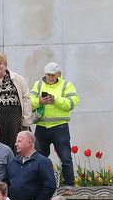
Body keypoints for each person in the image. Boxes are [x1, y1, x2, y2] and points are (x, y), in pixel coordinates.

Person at [30, 62, 79, 191]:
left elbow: (72, 103)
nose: (50, 77)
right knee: (39, 158)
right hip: (42, 125)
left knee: (65, 157)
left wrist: (55, 100)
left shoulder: (66, 85)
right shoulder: (38, 84)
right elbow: (29, 102)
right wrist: (39, 101)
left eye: (53, 75)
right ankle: (40, 186)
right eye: (48, 75)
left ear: (59, 74)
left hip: (60, 126)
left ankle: (69, 186)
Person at [7, 131, 56, 200]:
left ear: (29, 143)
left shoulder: (43, 162)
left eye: (19, 141)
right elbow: (7, 182)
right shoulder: (12, 162)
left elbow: (50, 185)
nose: (15, 144)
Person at [0, 54, 31, 149]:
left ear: (5, 65)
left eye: (0, 63)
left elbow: (26, 98)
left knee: (14, 143)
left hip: (13, 119)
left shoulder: (17, 79)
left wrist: (26, 120)